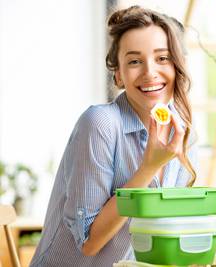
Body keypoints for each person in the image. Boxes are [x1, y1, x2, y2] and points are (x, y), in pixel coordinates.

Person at [30, 5, 197, 266]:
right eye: (134, 61)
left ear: (178, 65)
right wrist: (149, 168)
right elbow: (88, 243)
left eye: (162, 58)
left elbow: (167, 230)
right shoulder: (100, 124)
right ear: (118, 74)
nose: (149, 71)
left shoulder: (184, 132)